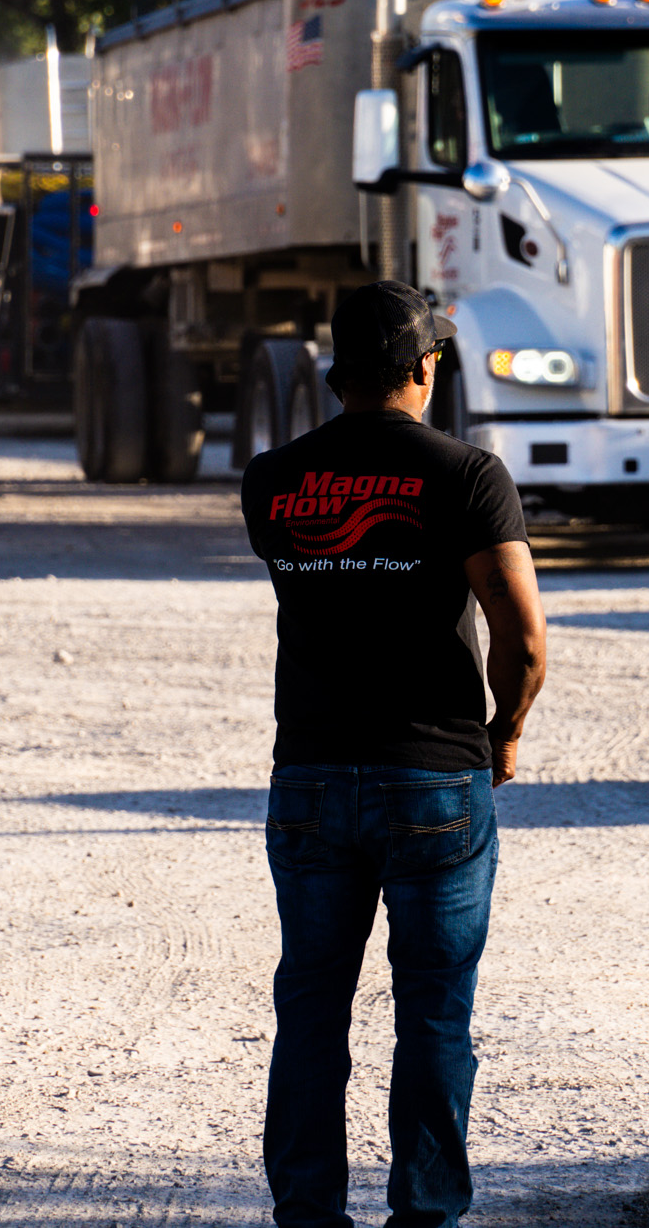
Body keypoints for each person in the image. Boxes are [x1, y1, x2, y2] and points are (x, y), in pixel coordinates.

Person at [240, 279, 547, 1228]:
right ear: (423, 366)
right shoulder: (469, 474)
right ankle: (423, 1216)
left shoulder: (272, 479)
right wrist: (505, 732)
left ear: (338, 373)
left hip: (310, 776)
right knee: (434, 1012)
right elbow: (523, 639)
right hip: (434, 777)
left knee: (311, 1008)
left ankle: (307, 1216)